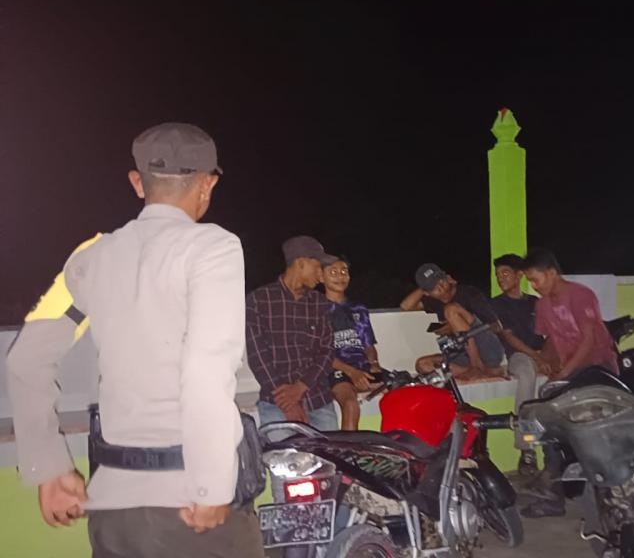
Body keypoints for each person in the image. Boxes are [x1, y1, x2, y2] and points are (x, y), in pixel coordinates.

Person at [6, 123, 263, 557]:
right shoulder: (213, 247)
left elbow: (25, 360)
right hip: (191, 505)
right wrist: (211, 484)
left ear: (138, 182)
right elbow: (206, 368)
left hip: (114, 510)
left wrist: (48, 467)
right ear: (208, 185)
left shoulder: (89, 259)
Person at [246, 235, 338, 432]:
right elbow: (258, 356)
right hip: (276, 403)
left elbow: (327, 351)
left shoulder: (319, 303)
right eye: (318, 266)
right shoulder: (259, 301)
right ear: (301, 263)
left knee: (331, 453)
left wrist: (301, 387)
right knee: (284, 452)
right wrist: (289, 403)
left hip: (318, 400)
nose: (321, 274)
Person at [400, 263, 507, 381]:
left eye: (440, 280)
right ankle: (483, 371)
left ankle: (477, 367)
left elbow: (496, 326)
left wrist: (456, 326)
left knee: (451, 309)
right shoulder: (432, 301)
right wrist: (423, 288)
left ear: (447, 277)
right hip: (462, 354)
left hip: (488, 349)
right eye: (433, 287)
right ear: (427, 293)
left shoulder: (469, 293)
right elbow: (405, 306)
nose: (440, 286)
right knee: (422, 365)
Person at [523, 249, 618, 379]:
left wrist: (565, 373)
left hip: (599, 367)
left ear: (552, 273)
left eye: (535, 280)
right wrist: (543, 362)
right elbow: (551, 339)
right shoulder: (541, 305)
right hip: (571, 370)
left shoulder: (580, 295)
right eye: (530, 282)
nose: (533, 286)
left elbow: (588, 340)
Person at [321, 257, 382, 430]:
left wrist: (374, 364)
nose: (340, 276)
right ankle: (347, 447)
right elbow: (320, 353)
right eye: (333, 272)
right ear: (321, 277)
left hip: (362, 367)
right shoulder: (317, 309)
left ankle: (394, 443)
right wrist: (352, 373)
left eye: (344, 271)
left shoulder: (359, 309)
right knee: (350, 404)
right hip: (335, 370)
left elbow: (368, 345)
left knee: (401, 390)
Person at [490, 253, 550, 409]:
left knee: (567, 369)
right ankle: (523, 422)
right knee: (526, 372)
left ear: (519, 275)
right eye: (497, 275)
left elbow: (551, 331)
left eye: (505, 273)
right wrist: (537, 357)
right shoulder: (496, 304)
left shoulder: (534, 301)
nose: (500, 279)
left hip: (541, 353)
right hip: (518, 355)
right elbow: (508, 337)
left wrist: (547, 355)